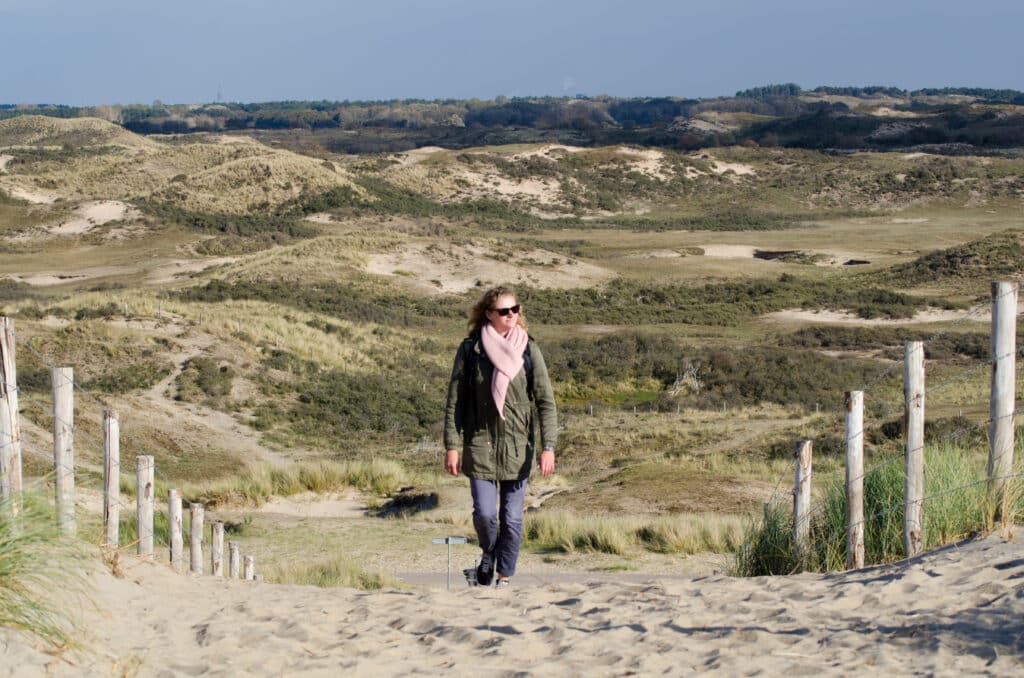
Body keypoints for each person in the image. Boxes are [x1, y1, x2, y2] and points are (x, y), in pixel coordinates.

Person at [443, 286, 557, 588]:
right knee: (484, 514)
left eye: (515, 309)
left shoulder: (528, 350)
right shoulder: (471, 350)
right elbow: (455, 401)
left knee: (513, 518)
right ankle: (488, 554)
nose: (511, 316)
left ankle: (504, 576)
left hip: (518, 448)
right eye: (504, 311)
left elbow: (545, 400)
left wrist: (549, 447)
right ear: (489, 314)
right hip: (480, 444)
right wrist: (451, 446)